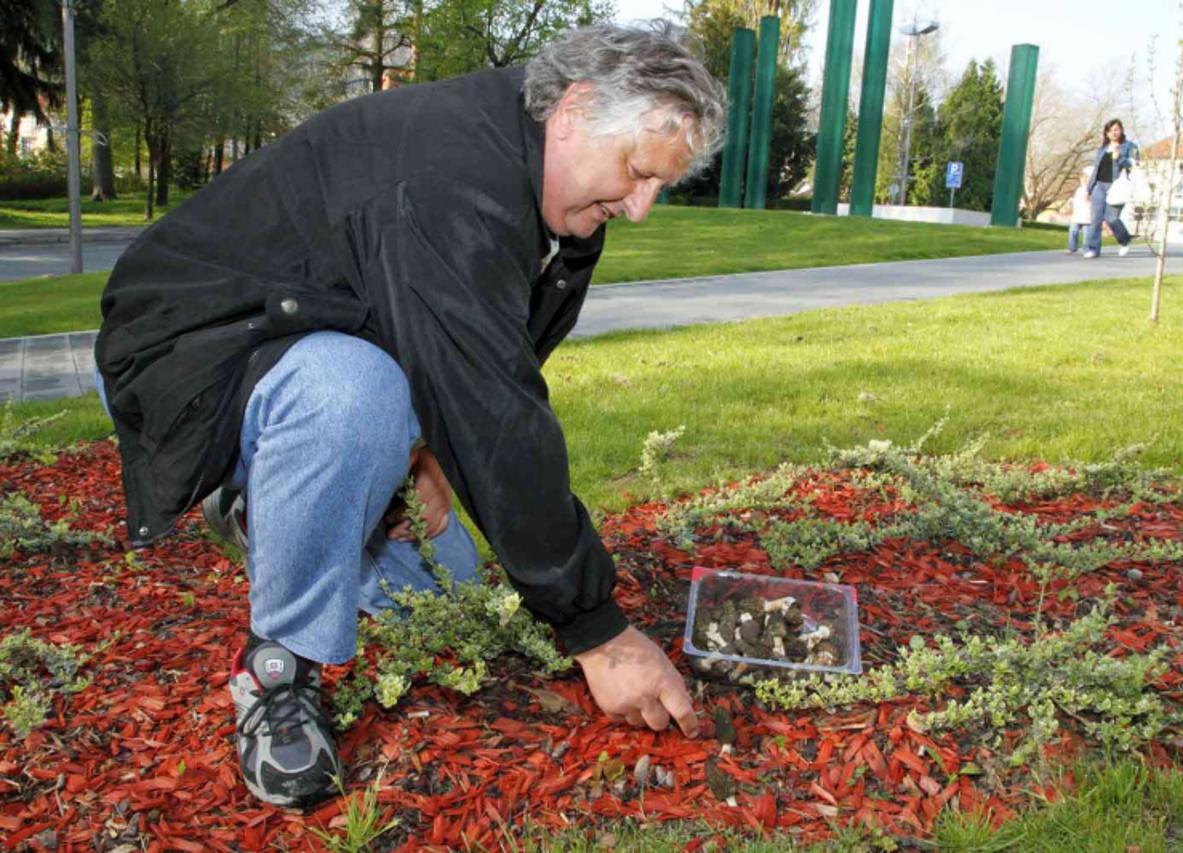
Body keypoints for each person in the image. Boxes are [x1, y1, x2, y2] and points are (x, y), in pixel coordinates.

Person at [94, 23, 725, 808]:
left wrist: (419, 447)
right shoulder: (454, 176)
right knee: (354, 393)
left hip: (302, 345)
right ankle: (278, 671)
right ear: (574, 108)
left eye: (658, 185)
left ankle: (274, 504)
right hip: (191, 355)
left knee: (446, 592)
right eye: (636, 173)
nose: (640, 209)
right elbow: (494, 407)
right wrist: (597, 629)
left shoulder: (550, 192)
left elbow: (471, 355)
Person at [1083, 118, 1139, 259]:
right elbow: (1096, 170)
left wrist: (1119, 158)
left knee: (1111, 219)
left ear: (1121, 130)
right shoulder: (1102, 149)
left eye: (1117, 129)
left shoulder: (1129, 146)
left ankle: (1124, 240)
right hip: (1099, 186)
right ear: (1106, 133)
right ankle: (1093, 249)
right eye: (1111, 130)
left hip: (1117, 187)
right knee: (1095, 219)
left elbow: (1133, 164)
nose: (1114, 132)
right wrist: (1089, 189)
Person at [1066, 167, 1093, 254]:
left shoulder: (1091, 189)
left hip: (1087, 215)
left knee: (1087, 234)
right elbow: (1077, 201)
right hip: (1077, 215)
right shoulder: (1079, 189)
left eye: (1086, 178)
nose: (1084, 180)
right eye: (1083, 178)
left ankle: (1086, 249)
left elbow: (1091, 201)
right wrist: (1071, 202)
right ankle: (1072, 248)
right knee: (1073, 231)